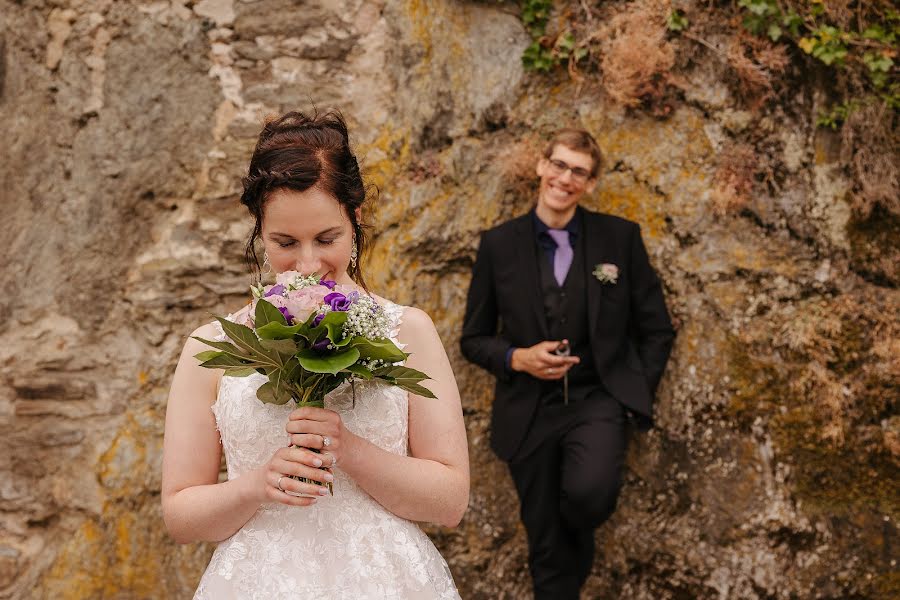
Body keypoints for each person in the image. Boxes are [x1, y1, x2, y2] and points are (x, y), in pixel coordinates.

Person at [162, 110, 469, 599]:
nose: (308, 264)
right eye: (285, 243)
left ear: (356, 221)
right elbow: (180, 516)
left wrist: (349, 449)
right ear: (259, 232)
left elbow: (450, 501)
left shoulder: (409, 331)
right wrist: (256, 485)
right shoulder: (210, 347)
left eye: (327, 239)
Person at [460, 129, 674, 599]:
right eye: (558, 165)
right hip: (528, 409)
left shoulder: (620, 239)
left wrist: (630, 391)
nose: (565, 178)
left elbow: (657, 329)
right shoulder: (498, 245)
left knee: (589, 495)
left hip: (597, 401)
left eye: (578, 171)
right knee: (544, 541)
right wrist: (517, 357)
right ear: (540, 166)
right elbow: (473, 339)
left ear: (591, 183)